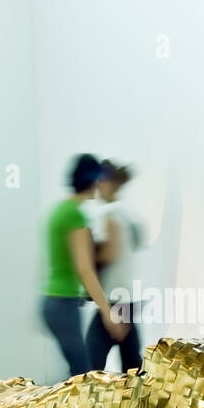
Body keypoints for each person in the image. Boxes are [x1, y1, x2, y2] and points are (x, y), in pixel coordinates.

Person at [42, 154, 127, 377]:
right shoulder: (74, 216)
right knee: (81, 375)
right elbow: (84, 268)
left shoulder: (60, 210)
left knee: (77, 371)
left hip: (54, 302)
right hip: (64, 304)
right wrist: (107, 312)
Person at [85, 160, 143, 372]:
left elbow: (112, 251)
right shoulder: (127, 213)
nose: (97, 185)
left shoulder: (109, 212)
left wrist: (86, 256)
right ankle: (142, 400)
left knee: (91, 364)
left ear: (108, 183)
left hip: (115, 299)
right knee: (131, 363)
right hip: (127, 296)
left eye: (100, 180)